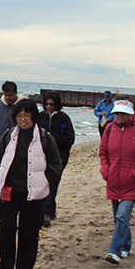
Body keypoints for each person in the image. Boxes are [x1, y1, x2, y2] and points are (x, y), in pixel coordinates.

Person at [0, 98, 62, 269]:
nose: (23, 120)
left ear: (34, 117)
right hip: (9, 191)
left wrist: (45, 182)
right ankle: (4, 268)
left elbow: (55, 164)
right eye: (19, 116)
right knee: (5, 228)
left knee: (29, 232)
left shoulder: (44, 138)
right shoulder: (9, 135)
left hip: (34, 193)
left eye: (27, 116)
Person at [100, 100, 135, 265]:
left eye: (123, 113)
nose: (120, 116)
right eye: (117, 113)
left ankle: (114, 251)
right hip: (114, 181)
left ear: (131, 113)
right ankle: (126, 246)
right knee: (118, 218)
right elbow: (103, 152)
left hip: (133, 182)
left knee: (122, 216)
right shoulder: (110, 128)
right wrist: (106, 171)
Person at [37, 91, 75, 226]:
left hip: (59, 157)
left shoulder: (64, 118)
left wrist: (52, 138)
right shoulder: (40, 117)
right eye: (46, 104)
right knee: (43, 182)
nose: (49, 107)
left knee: (53, 183)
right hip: (41, 156)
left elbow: (70, 138)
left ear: (57, 105)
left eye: (51, 104)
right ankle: (49, 211)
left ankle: (47, 213)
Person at [0, 82, 20, 215]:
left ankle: (11, 204)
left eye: (10, 95)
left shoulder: (21, 106)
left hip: (16, 149)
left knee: (12, 178)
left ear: (16, 94)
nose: (7, 98)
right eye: (5, 95)